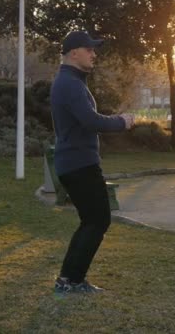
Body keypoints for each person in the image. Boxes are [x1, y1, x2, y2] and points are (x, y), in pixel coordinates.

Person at [50, 30, 135, 294]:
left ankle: (69, 280)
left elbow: (86, 119)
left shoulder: (71, 81)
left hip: (75, 163)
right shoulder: (70, 84)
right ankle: (70, 281)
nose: (94, 54)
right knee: (98, 220)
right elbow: (91, 120)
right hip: (79, 164)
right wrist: (122, 122)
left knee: (92, 221)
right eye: (90, 50)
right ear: (74, 52)